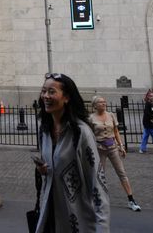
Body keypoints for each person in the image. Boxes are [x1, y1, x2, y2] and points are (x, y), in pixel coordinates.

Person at [34, 73, 109, 233]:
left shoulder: (81, 133)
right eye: (44, 91)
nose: (46, 96)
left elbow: (97, 183)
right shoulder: (45, 131)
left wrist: (102, 227)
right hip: (49, 215)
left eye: (52, 92)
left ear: (66, 97)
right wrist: (44, 170)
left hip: (76, 220)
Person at [88, 96, 141, 211]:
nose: (103, 103)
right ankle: (98, 199)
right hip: (99, 148)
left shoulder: (111, 115)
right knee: (99, 175)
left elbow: (116, 131)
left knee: (122, 172)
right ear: (95, 105)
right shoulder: (91, 118)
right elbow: (89, 136)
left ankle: (131, 200)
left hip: (112, 147)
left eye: (104, 102)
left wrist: (121, 146)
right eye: (100, 102)